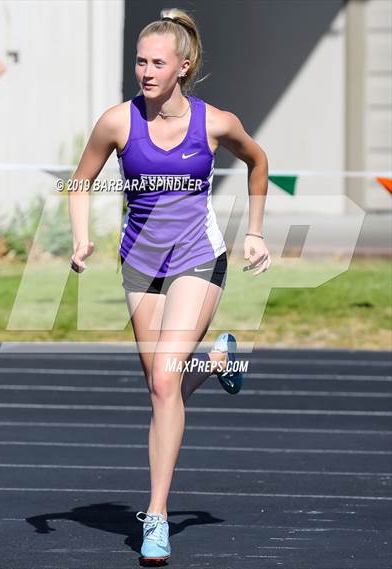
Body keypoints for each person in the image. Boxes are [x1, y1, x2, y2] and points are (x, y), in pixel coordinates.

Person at [68, 7, 270, 562]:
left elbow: (258, 161)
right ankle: (217, 362)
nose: (146, 71)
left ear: (183, 66)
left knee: (162, 380)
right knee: (163, 388)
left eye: (158, 62)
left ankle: (155, 515)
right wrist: (81, 237)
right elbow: (77, 181)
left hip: (198, 259)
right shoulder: (117, 122)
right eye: (140, 61)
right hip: (140, 264)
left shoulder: (215, 122)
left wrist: (254, 231)